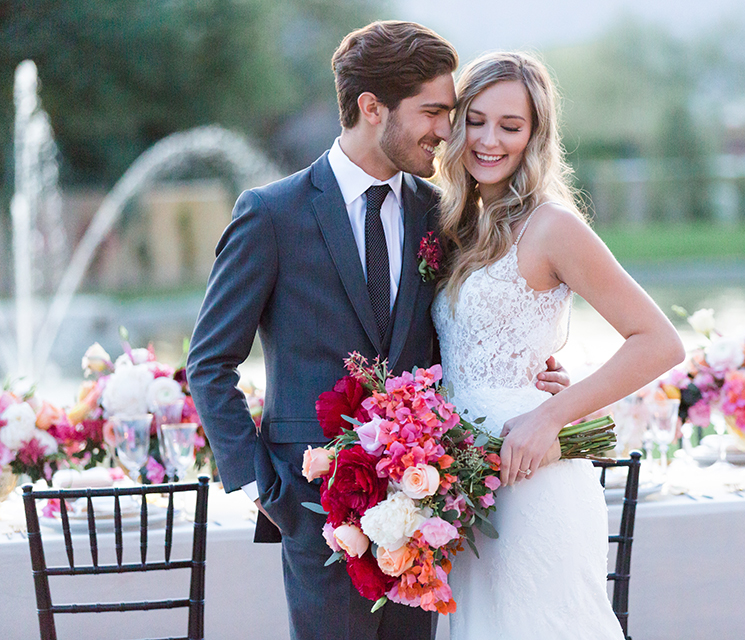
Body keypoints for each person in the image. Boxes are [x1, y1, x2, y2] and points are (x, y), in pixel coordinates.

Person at [186, 22, 568, 640]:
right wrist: (267, 489)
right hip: (315, 508)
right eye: (434, 112)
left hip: (430, 512)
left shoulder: (441, 212)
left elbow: (466, 333)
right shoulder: (271, 215)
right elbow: (209, 364)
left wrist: (531, 373)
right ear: (372, 108)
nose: (448, 131)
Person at [432, 51, 685, 639]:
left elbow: (659, 342)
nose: (488, 140)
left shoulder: (553, 226)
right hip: (465, 492)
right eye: (476, 120)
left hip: (535, 481)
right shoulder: (458, 224)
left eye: (510, 126)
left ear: (535, 136)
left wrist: (550, 414)